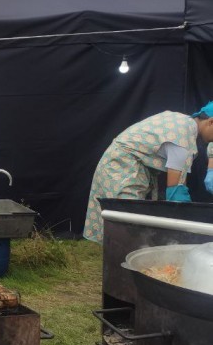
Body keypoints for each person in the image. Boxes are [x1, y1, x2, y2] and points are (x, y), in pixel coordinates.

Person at [83, 101, 213, 242]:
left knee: (127, 219)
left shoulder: (182, 122)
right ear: (211, 122)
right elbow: (175, 189)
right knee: (126, 218)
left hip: (123, 164)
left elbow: (179, 178)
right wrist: (188, 223)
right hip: (122, 166)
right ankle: (122, 254)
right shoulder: (183, 134)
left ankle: (123, 250)